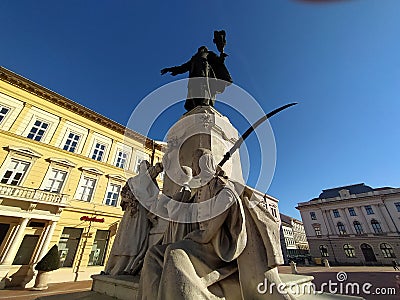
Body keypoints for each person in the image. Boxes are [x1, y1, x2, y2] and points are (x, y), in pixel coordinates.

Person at [138, 149, 291, 300]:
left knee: (175, 252)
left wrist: (204, 236)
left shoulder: (220, 185)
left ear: (203, 164)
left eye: (195, 164)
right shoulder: (198, 191)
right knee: (154, 253)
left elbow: (227, 201)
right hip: (200, 242)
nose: (194, 169)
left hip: (219, 247)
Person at [104, 160, 163, 276]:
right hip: (139, 213)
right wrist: (162, 165)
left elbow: (123, 197)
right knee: (136, 238)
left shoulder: (131, 181)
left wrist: (130, 200)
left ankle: (115, 265)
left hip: (129, 214)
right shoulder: (142, 179)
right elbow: (154, 171)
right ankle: (130, 265)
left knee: (125, 238)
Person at [161, 45, 232, 111]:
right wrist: (169, 69)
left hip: (205, 76)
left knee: (204, 90)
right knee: (193, 92)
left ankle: (204, 105)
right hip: (194, 78)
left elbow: (218, 62)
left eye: (202, 49)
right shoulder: (194, 59)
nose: (200, 50)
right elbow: (183, 67)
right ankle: (196, 107)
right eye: (200, 49)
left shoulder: (208, 54)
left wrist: (222, 56)